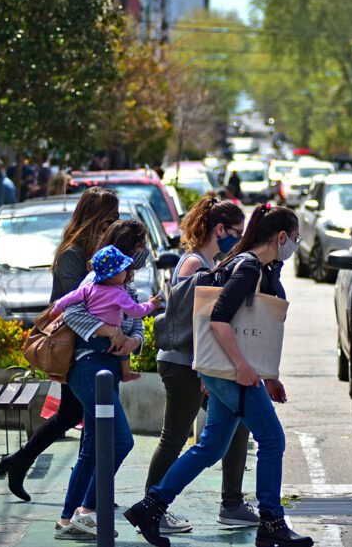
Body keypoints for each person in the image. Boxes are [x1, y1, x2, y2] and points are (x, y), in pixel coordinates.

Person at [125, 205, 313, 547]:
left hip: (223, 372)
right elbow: (220, 319)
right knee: (272, 440)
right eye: (295, 239)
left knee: (210, 447)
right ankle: (271, 522)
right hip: (232, 374)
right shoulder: (249, 267)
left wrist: (266, 375)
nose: (295, 245)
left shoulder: (250, 265)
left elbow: (251, 328)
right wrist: (242, 367)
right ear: (281, 237)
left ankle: (149, 507)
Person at [0, 188, 123, 505]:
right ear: (95, 219)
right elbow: (74, 304)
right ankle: (84, 490)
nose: (114, 226)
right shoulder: (73, 255)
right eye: (111, 219)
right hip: (76, 348)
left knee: (75, 415)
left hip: (93, 348)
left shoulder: (98, 252)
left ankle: (26, 464)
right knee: (82, 416)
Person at [144, 195, 255, 534]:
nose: (239, 240)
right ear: (219, 229)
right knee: (174, 439)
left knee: (238, 425)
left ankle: (232, 503)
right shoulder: (195, 265)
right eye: (237, 232)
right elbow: (196, 322)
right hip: (184, 365)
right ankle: (151, 508)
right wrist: (202, 369)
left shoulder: (205, 262)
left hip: (197, 364)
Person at [55, 219, 154, 539]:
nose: (144, 254)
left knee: (91, 448)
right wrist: (107, 330)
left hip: (108, 370)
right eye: (140, 247)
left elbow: (137, 326)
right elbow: (68, 312)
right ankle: (87, 509)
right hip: (90, 368)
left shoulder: (126, 287)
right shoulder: (96, 280)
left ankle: (69, 518)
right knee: (121, 440)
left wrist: (132, 342)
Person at [51, 244, 161, 383]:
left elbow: (69, 298)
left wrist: (56, 309)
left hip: (89, 339)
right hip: (107, 341)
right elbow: (136, 312)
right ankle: (126, 373)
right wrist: (151, 304)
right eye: (124, 270)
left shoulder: (89, 288)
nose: (127, 273)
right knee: (123, 346)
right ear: (116, 273)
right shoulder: (118, 293)